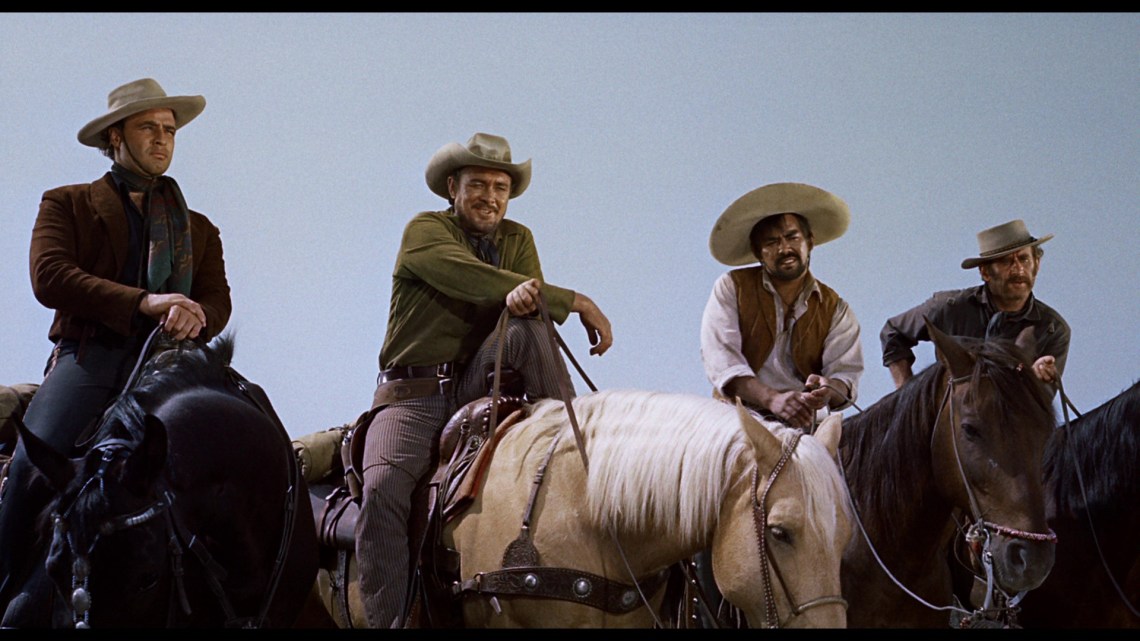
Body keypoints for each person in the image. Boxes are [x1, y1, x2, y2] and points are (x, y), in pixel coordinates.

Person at [356, 132, 613, 628]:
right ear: (453, 187)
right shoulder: (425, 231)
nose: (489, 197)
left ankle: (574, 440)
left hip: (479, 383)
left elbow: (528, 296)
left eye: (500, 187)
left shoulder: (518, 239)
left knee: (528, 328)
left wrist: (526, 299)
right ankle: (390, 622)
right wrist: (576, 301)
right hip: (414, 395)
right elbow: (463, 276)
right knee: (384, 489)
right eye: (477, 184)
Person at [0, 78, 231, 613]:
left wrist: (195, 315)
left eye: (169, 129)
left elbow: (217, 301)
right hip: (92, 359)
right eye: (148, 127)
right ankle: (7, 583)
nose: (162, 138)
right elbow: (50, 275)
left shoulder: (200, 230)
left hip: (174, 366)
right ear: (115, 137)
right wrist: (145, 302)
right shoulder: (68, 203)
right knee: (35, 463)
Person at [700, 182, 864, 430]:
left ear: (810, 241)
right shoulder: (732, 287)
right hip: (737, 420)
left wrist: (829, 389)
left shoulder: (835, 308)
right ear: (758, 252)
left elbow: (845, 375)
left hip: (806, 423)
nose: (784, 249)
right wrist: (772, 399)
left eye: (792, 237)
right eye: (771, 242)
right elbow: (722, 361)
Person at [880, 218, 1070, 389]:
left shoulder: (1053, 329)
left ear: (1037, 264)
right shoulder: (949, 308)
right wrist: (906, 395)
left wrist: (1034, 378)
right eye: (1006, 261)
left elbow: (1041, 406)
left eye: (1024, 259)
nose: (1018, 269)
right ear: (985, 272)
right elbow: (893, 332)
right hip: (949, 414)